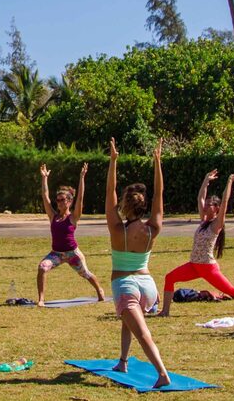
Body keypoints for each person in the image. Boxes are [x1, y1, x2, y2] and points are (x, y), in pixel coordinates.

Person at [105, 138, 170, 387]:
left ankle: (162, 374)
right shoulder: (153, 229)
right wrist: (157, 162)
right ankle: (123, 361)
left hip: (125, 286)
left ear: (124, 205)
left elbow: (109, 191)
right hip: (148, 287)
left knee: (142, 333)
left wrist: (113, 161)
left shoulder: (116, 229)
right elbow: (159, 195)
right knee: (129, 321)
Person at [158, 170, 234, 316]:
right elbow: (199, 198)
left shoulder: (216, 224)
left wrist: (229, 182)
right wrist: (206, 180)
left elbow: (225, 201)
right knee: (169, 278)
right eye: (206, 204)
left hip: (208, 268)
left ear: (217, 209)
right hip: (194, 265)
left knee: (230, 290)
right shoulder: (204, 221)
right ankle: (165, 311)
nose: (206, 206)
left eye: (210, 205)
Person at [36, 162, 105, 306]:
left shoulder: (73, 217)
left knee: (86, 274)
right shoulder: (53, 216)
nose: (59, 203)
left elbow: (80, 198)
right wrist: (44, 179)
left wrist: (82, 177)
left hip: (73, 254)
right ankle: (41, 299)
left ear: (69, 202)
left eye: (62, 200)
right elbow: (45, 196)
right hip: (56, 254)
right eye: (58, 200)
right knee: (42, 267)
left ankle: (100, 290)